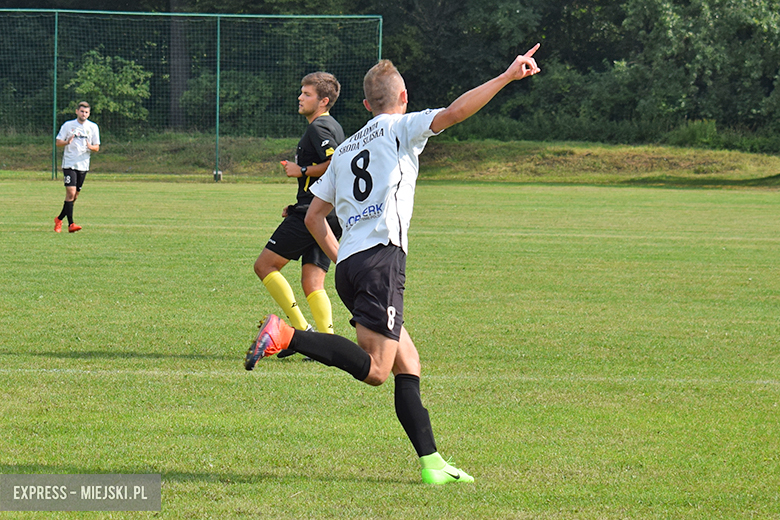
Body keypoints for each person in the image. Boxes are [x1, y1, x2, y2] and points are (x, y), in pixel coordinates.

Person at [245, 46, 541, 484]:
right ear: (402, 96)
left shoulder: (345, 150)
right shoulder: (402, 127)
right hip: (382, 259)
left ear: (365, 105)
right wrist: (505, 77)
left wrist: (342, 256)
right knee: (378, 370)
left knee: (409, 362)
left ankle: (432, 465)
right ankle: (288, 335)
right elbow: (456, 112)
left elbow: (313, 216)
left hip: (350, 265)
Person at [252, 72, 345, 354]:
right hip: (327, 212)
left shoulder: (319, 128)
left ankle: (301, 333)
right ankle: (327, 343)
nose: (300, 97)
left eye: (307, 94)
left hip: (313, 214)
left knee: (264, 266)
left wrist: (301, 170)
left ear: (323, 100)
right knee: (313, 281)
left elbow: (335, 163)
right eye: (301, 92)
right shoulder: (333, 126)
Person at [54, 101, 100, 233]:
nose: (83, 114)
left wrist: (91, 147)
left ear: (89, 113)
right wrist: (66, 142)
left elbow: (97, 147)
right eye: (81, 111)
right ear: (77, 112)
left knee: (74, 197)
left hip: (83, 165)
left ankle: (59, 219)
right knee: (71, 193)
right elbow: (58, 142)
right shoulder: (68, 125)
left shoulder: (93, 127)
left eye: (86, 112)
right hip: (69, 164)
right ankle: (71, 224)